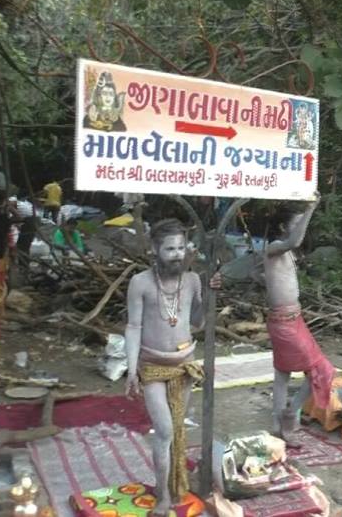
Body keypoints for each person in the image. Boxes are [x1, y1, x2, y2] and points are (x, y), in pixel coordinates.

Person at [124, 219, 222, 515]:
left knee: (177, 428)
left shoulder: (192, 280)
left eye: (181, 248)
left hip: (185, 366)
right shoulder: (140, 282)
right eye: (170, 249)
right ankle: (163, 494)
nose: (177, 254)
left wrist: (209, 293)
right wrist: (131, 370)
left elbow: (198, 323)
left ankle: (175, 484)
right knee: (165, 430)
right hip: (152, 366)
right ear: (155, 249)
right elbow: (133, 326)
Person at [261, 194, 334, 439]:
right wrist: (311, 208)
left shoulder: (286, 254)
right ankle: (290, 415)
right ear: (283, 228)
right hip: (284, 322)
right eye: (296, 223)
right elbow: (293, 241)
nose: (300, 230)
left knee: (283, 374)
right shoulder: (274, 248)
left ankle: (278, 423)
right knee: (322, 369)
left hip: (293, 319)